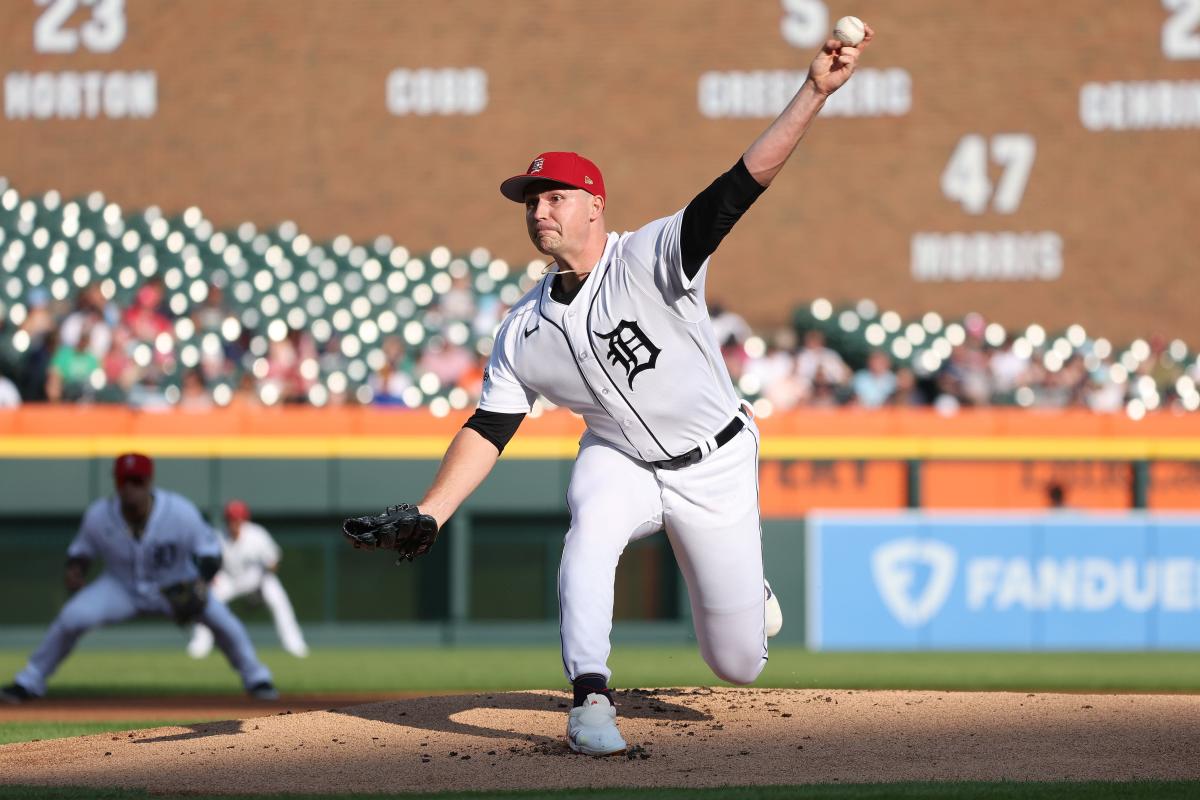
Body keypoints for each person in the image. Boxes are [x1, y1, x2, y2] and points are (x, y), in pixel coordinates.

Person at [344, 24, 871, 755]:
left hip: (713, 461)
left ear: (595, 205)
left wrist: (814, 90)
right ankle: (591, 699)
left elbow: (740, 187)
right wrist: (433, 511)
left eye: (555, 197)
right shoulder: (521, 328)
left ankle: (749, 595)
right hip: (619, 457)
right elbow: (490, 426)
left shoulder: (651, 256)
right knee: (589, 525)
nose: (539, 211)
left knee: (738, 663)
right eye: (530, 202)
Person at [0, 453, 278, 704]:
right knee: (72, 618)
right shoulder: (99, 515)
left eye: (136, 480)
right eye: (125, 481)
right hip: (120, 587)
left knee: (224, 623)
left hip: (176, 584)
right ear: (116, 483)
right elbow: (81, 552)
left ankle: (257, 679)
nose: (130, 487)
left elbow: (210, 552)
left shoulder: (179, 512)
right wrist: (76, 569)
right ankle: (29, 682)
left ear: (148, 481)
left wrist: (201, 582)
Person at [187, 500, 309, 659]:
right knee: (207, 601)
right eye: (231, 519)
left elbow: (273, 562)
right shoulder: (219, 536)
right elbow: (210, 563)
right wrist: (211, 577)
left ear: (244, 520)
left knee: (278, 600)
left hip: (256, 578)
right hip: (229, 579)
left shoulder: (257, 535)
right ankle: (199, 645)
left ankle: (295, 645)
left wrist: (269, 569)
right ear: (227, 520)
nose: (234, 523)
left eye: (238, 519)